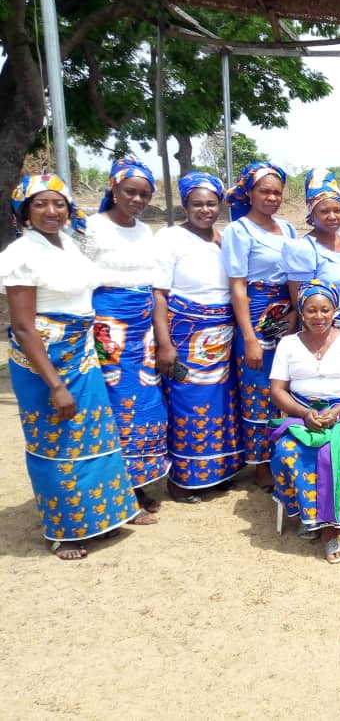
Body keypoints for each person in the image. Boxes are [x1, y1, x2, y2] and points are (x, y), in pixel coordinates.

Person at [0, 174, 139, 559]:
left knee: (94, 435)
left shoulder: (67, 246)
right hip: (44, 360)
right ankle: (64, 530)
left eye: (58, 203)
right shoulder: (20, 255)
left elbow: (97, 282)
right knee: (56, 442)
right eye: (41, 204)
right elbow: (26, 329)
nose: (51, 211)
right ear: (24, 211)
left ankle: (101, 518)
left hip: (81, 352)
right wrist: (55, 385)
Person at [268, 281, 340, 564]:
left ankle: (329, 530)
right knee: (286, 451)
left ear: (335, 310)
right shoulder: (288, 344)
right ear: (301, 312)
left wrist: (338, 411)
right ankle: (309, 514)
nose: (319, 316)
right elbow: (277, 390)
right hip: (301, 410)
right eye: (311, 310)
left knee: (333, 452)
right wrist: (304, 415)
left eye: (325, 310)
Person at [85, 157, 167, 522]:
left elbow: (151, 284)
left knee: (148, 404)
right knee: (118, 405)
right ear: (113, 189)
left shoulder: (144, 232)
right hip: (108, 327)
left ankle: (137, 485)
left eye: (144, 194)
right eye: (130, 192)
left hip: (143, 329)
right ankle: (119, 495)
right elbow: (78, 281)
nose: (137, 200)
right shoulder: (90, 229)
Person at [153, 171, 242, 503]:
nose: (205, 210)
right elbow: (159, 294)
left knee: (221, 403)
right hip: (185, 335)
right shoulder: (170, 238)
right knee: (186, 403)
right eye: (197, 204)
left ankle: (217, 472)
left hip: (221, 334)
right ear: (184, 205)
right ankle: (182, 479)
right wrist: (164, 344)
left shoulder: (223, 240)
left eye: (211, 203)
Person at [222, 161, 297, 490]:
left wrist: (296, 315)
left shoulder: (289, 229)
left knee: (286, 385)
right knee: (257, 388)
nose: (271, 197)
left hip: (288, 313)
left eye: (277, 192)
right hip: (255, 313)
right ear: (249, 193)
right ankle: (260, 463)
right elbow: (237, 286)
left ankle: (282, 453)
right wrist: (249, 337)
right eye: (264, 191)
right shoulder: (238, 231)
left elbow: (295, 276)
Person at [283, 168, 340, 330]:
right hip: (323, 328)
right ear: (312, 215)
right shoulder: (304, 249)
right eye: (324, 211)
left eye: (337, 210)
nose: (332, 216)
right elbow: (301, 302)